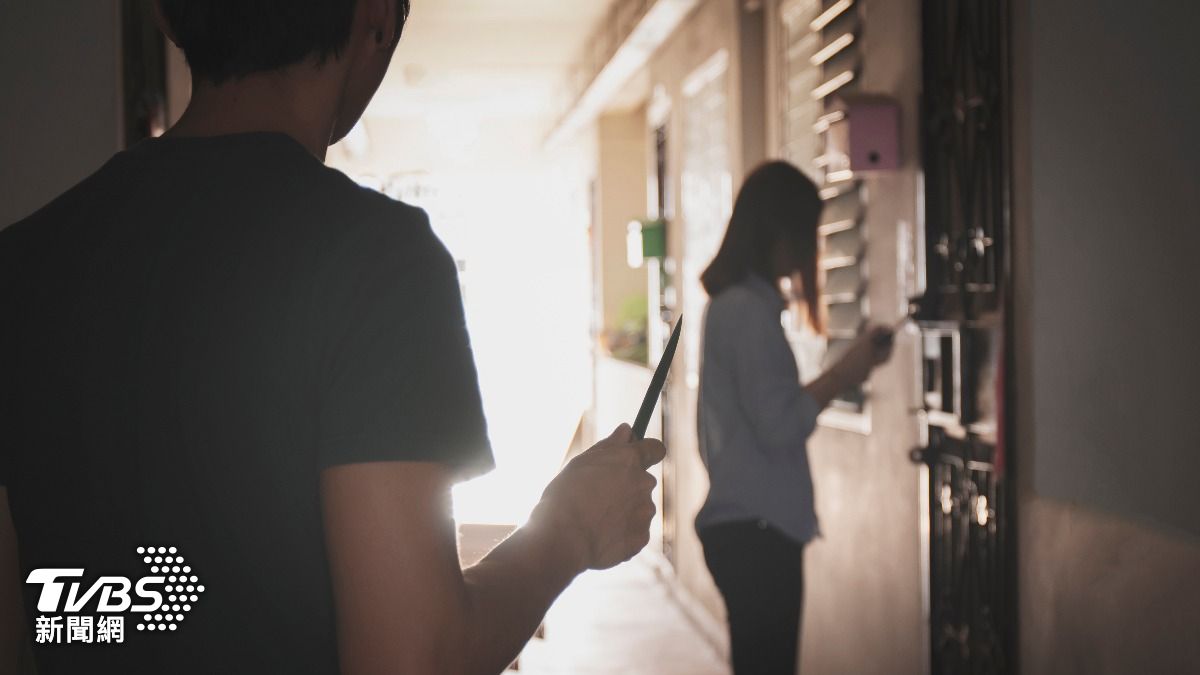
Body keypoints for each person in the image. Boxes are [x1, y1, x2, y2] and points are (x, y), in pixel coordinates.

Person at [0, 1, 664, 673]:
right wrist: (569, 528)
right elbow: (412, 658)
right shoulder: (373, 259)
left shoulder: (20, 266)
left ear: (167, 17)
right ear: (375, 17)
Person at [695, 161, 893, 675]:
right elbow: (780, 423)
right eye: (806, 230)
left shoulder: (734, 307)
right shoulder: (745, 312)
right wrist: (843, 373)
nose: (811, 246)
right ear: (777, 232)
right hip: (758, 535)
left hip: (750, 530)